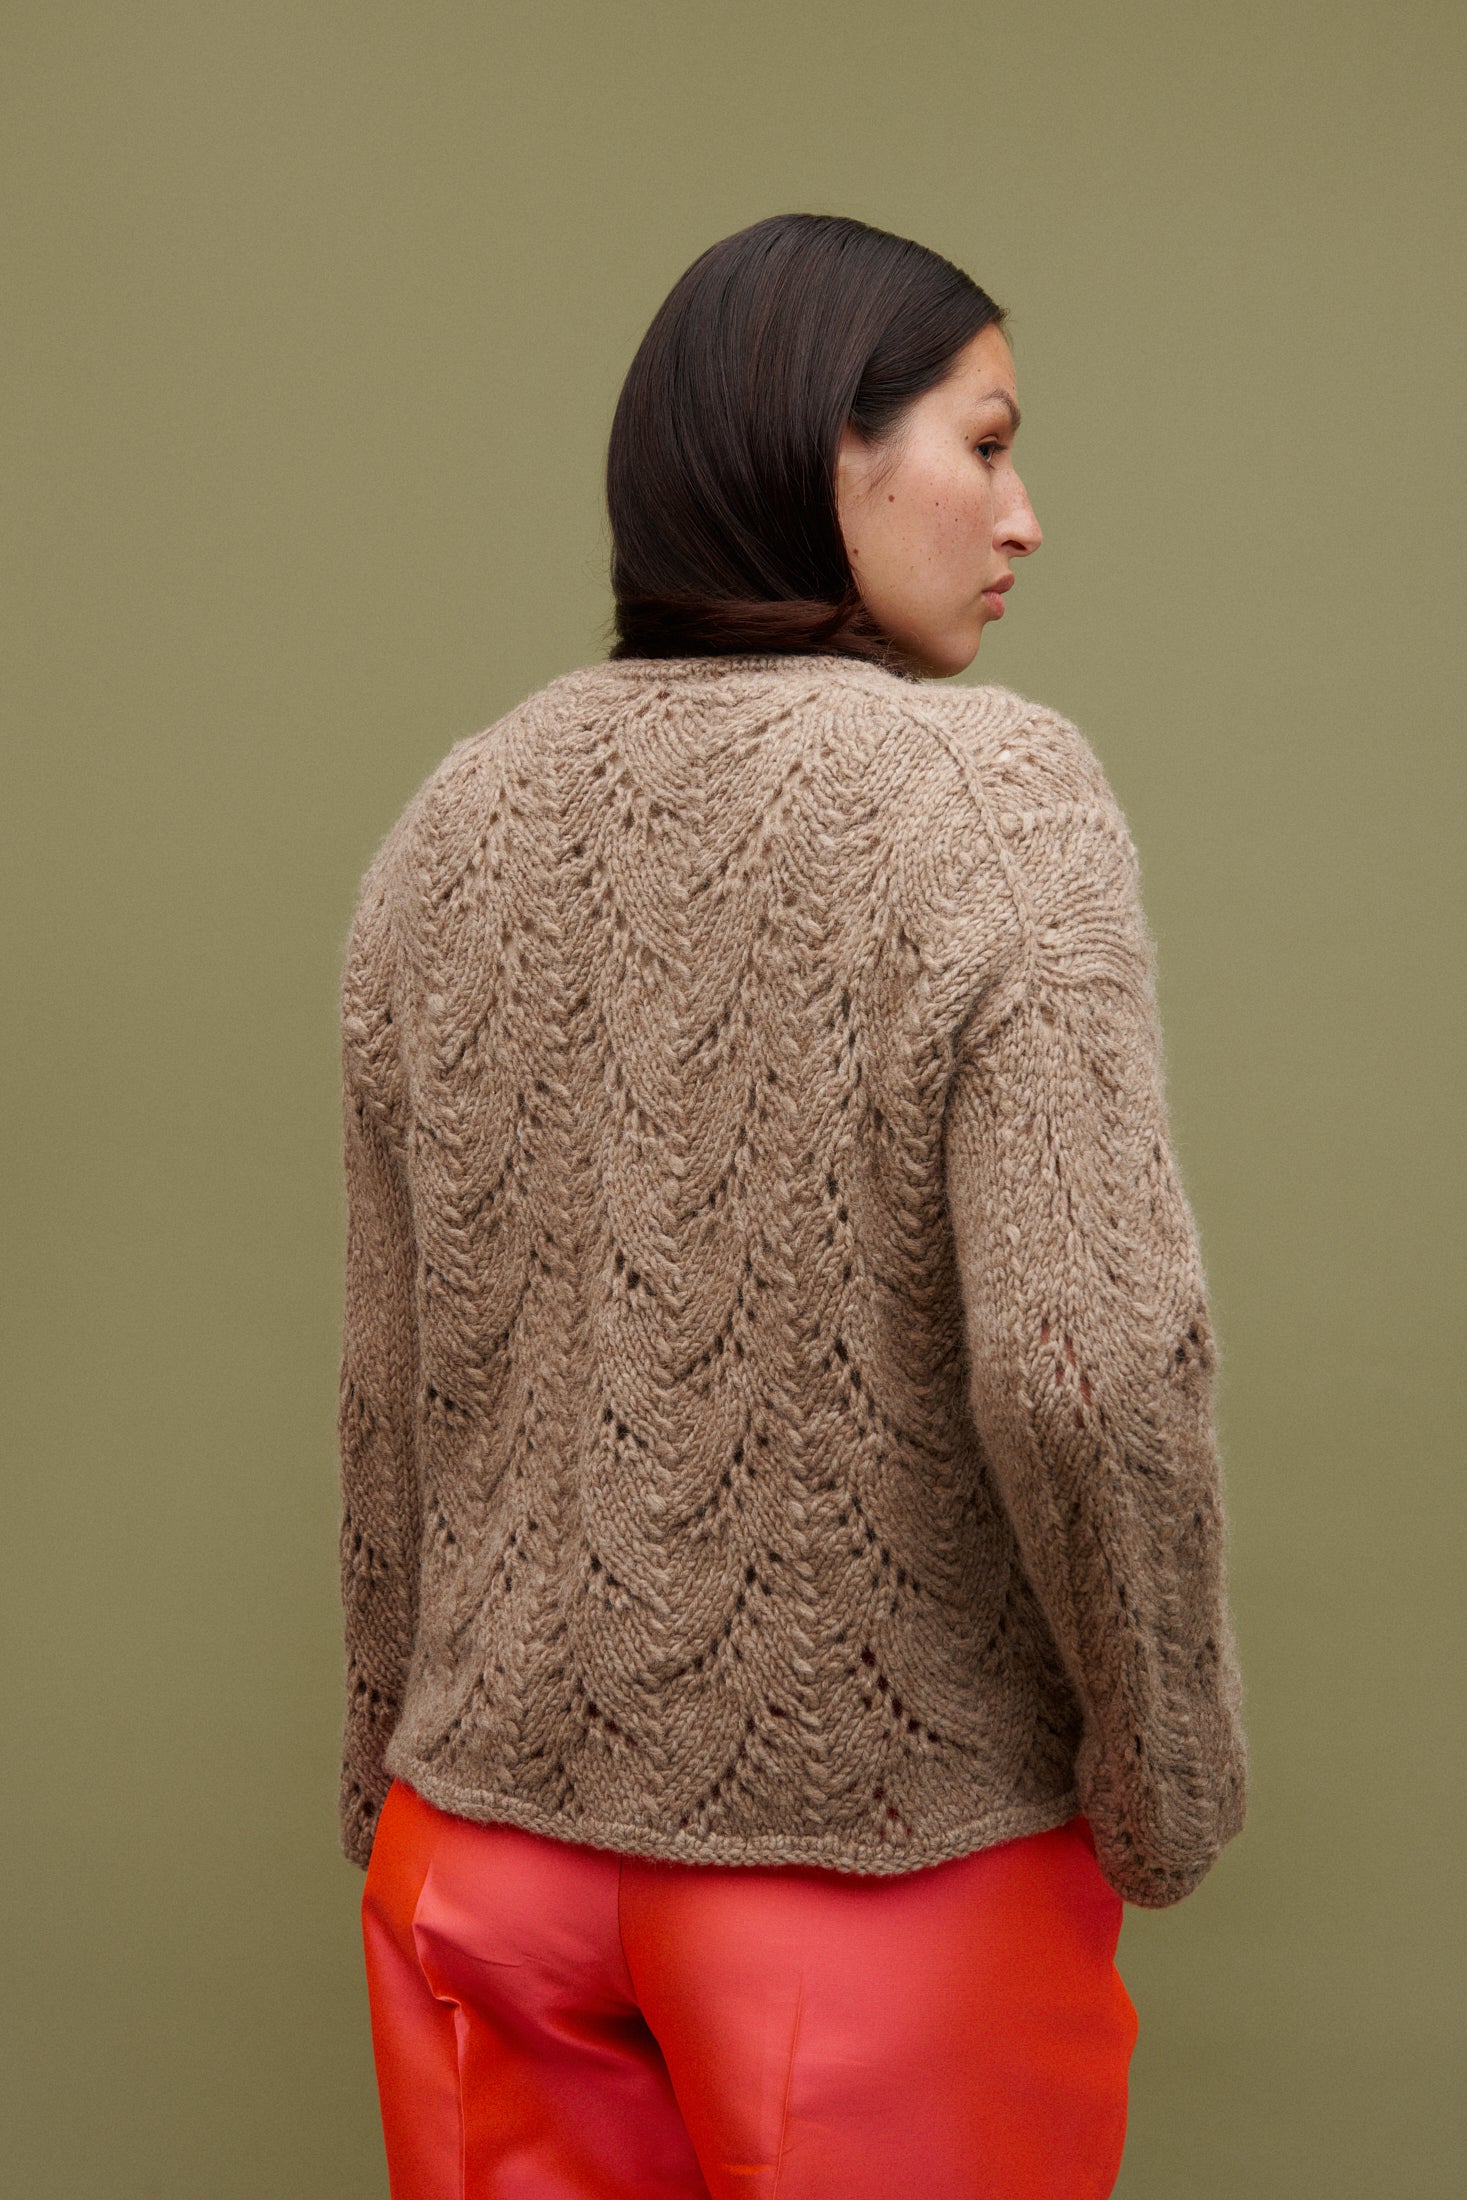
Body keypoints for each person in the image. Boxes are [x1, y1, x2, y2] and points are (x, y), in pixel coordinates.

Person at [337, 211, 1249, 2199]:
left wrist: (387, 1757)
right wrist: (1164, 1770)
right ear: (821, 446)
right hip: (863, 1882)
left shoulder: (449, 823)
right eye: (983, 445)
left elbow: (395, 1377)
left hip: (478, 1864)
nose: (1023, 517)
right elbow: (1086, 1364)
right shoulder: (994, 799)